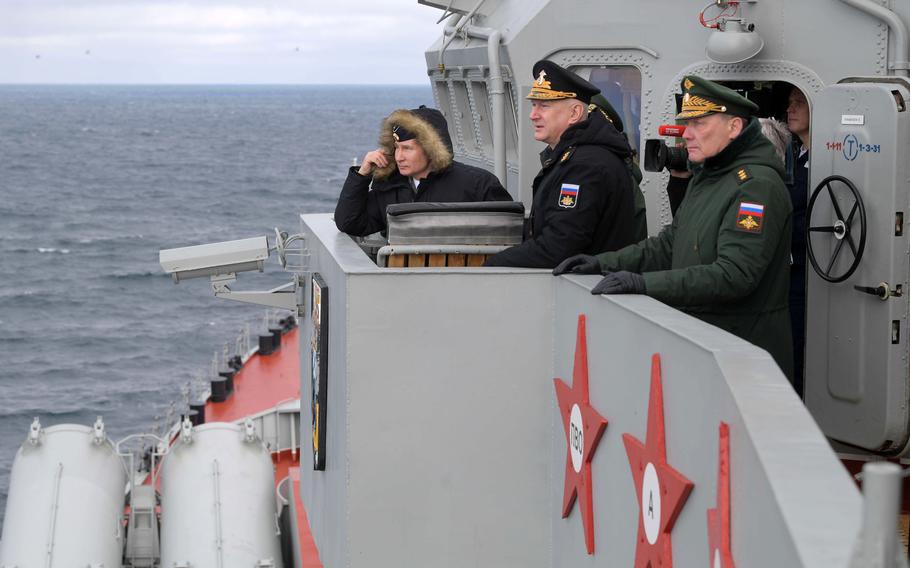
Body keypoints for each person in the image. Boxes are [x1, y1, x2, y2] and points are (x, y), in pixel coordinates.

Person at [554, 76, 794, 379]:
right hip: (706, 343)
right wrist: (601, 263)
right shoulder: (709, 175)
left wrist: (645, 285)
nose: (686, 134)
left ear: (734, 128)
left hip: (743, 351)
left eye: (699, 124)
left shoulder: (756, 186)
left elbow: (734, 276)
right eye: (686, 124)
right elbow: (669, 244)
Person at [484, 61, 642, 268]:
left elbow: (558, 247)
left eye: (544, 106)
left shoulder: (586, 166)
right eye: (534, 105)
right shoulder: (574, 157)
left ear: (575, 113)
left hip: (589, 290)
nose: (533, 115)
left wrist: (492, 265)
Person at [334, 106, 511, 236]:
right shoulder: (390, 185)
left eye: (407, 148)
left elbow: (507, 232)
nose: (398, 157)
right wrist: (362, 175)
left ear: (431, 149)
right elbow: (350, 223)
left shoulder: (478, 184)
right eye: (396, 148)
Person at [785, 86, 811, 396]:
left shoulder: (821, 159)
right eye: (789, 103)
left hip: (805, 270)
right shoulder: (797, 154)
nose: (790, 109)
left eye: (799, 102)